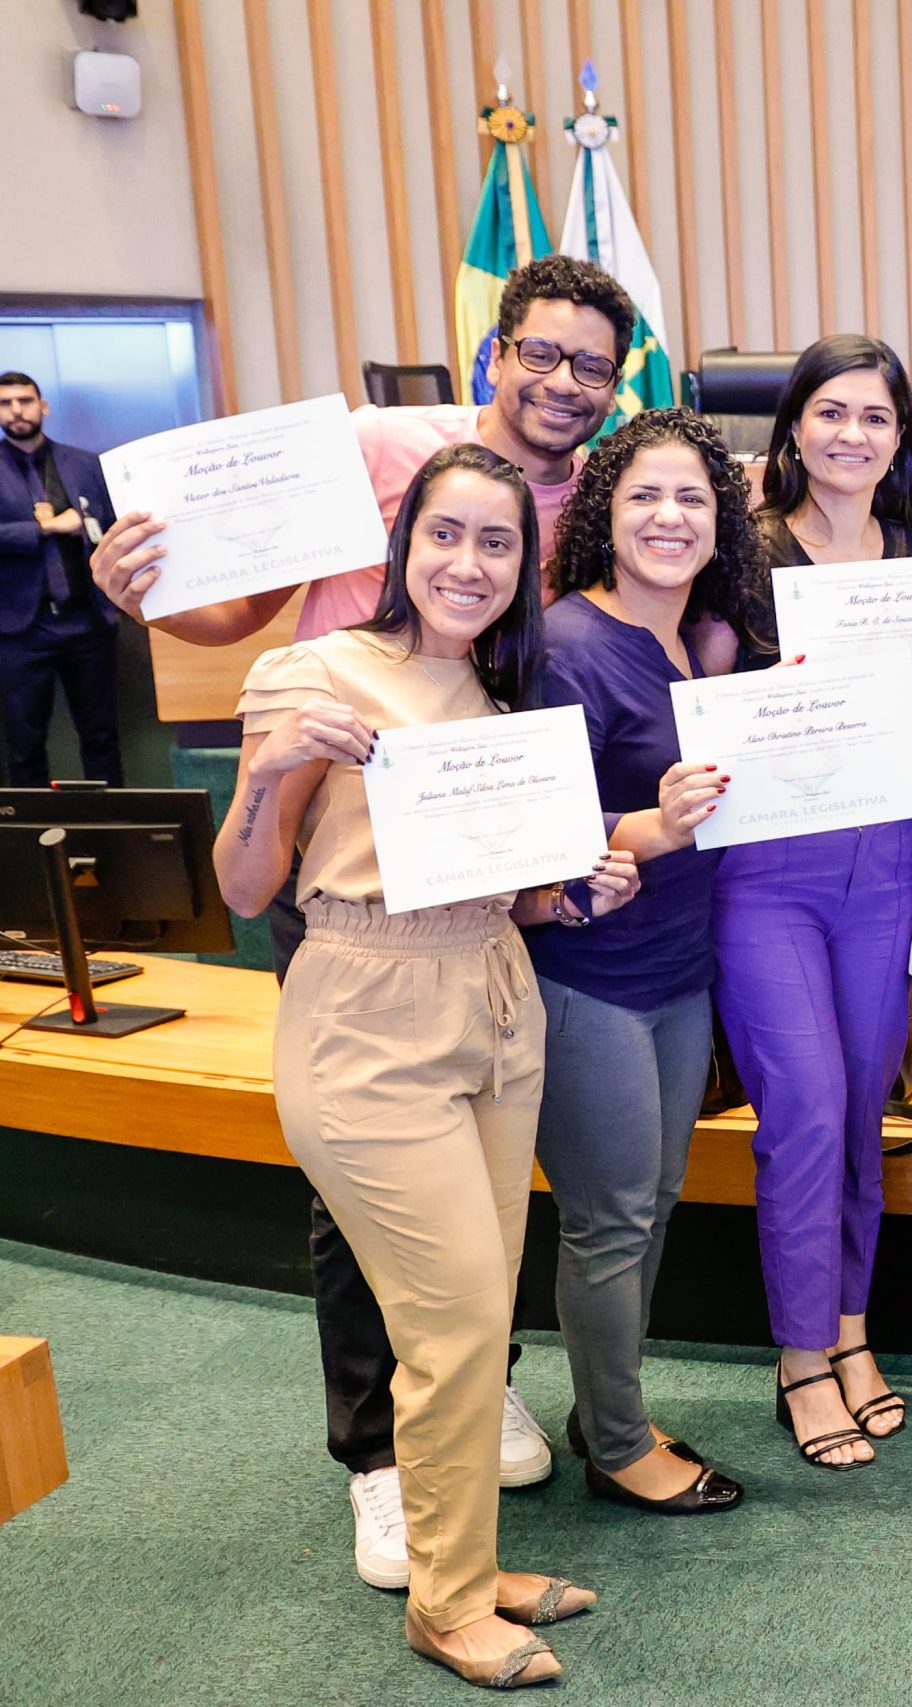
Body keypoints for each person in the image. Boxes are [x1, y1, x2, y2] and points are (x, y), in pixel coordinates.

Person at [89, 253, 637, 1587]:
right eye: (543, 352)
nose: (564, 382)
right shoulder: (383, 453)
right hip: (347, 875)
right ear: (494, 351)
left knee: (484, 1198)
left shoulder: (600, 501)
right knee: (374, 1191)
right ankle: (379, 1458)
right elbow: (226, 602)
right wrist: (140, 586)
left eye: (593, 366)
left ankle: (462, 1396)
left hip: (493, 878)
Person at [216, 444, 641, 1688]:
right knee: (452, 1323)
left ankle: (465, 1563)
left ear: (526, 566)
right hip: (361, 1017)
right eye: (445, 535)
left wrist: (582, 891)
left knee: (476, 1315)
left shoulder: (515, 718)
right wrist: (272, 765)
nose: (468, 563)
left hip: (499, 1006)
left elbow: (518, 899)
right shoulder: (311, 672)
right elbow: (247, 884)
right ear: (403, 544)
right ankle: (445, 1607)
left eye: (497, 543)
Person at [530, 411, 765, 1517]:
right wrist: (650, 826)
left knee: (651, 1203)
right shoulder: (569, 645)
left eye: (692, 500)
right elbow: (533, 842)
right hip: (589, 978)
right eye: (643, 498)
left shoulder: (687, 641)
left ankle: (604, 1404)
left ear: (722, 525)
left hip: (677, 971)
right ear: (602, 516)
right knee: (612, 1216)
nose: (669, 517)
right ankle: (620, 1447)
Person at [721, 335, 912, 1469]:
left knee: (861, 1101)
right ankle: (800, 1356)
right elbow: (690, 693)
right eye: (832, 412)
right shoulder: (744, 550)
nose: (854, 435)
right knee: (802, 1103)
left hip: (885, 861)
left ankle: (848, 1331)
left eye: (877, 418)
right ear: (794, 422)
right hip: (770, 868)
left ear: (902, 438)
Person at [0, 372, 122, 787]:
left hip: (86, 620)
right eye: (5, 403)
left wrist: (84, 522)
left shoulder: (86, 464)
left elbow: (112, 522)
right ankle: (31, 844)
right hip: (19, 629)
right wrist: (46, 529)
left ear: (43, 405)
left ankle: (112, 832)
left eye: (25, 400)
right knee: (23, 744)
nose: (16, 410)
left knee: (102, 737)